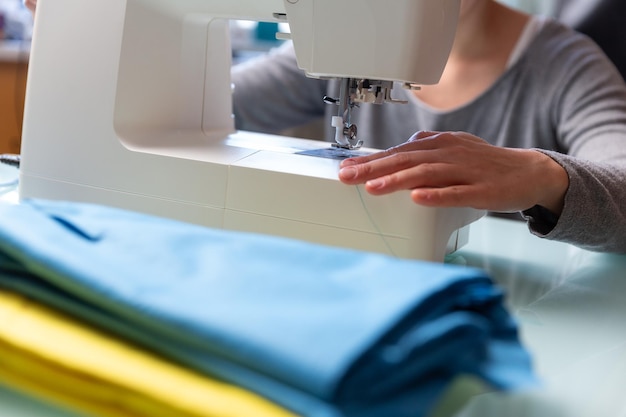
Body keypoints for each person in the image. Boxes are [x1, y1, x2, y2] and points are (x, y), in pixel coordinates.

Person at [25, 0, 626, 254]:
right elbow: (214, 105)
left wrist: (539, 174)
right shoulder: (337, 46)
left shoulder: (566, 66)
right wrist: (86, 38)